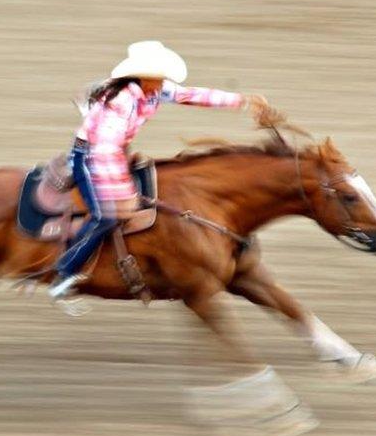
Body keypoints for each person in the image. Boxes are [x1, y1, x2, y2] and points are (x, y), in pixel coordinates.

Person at [48, 40, 276, 299]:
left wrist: (243, 101)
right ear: (142, 77)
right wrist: (122, 189)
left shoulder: (153, 91)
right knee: (106, 215)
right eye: (157, 78)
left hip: (112, 152)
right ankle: (65, 272)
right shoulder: (122, 102)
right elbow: (105, 148)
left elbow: (191, 95)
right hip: (90, 156)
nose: (162, 82)